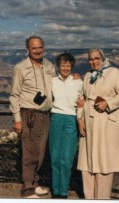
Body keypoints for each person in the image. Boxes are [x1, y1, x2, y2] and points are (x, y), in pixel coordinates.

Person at [77, 48, 119, 199]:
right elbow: (81, 99)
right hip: (88, 122)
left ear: (102, 58)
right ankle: (89, 198)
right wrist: (80, 119)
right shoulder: (87, 76)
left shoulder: (114, 73)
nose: (93, 61)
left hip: (105, 123)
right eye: (90, 59)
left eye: (96, 58)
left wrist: (108, 103)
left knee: (103, 162)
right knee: (87, 163)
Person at [9, 35, 56, 198]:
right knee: (30, 151)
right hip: (29, 114)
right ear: (27, 50)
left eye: (40, 47)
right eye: (34, 48)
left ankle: (34, 183)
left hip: (45, 114)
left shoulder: (49, 65)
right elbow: (14, 95)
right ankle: (27, 188)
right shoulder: (20, 68)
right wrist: (17, 119)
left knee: (41, 151)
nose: (38, 50)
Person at [48, 52, 83, 198]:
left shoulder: (78, 82)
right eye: (63, 65)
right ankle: (56, 191)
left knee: (66, 159)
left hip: (71, 120)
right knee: (55, 157)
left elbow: (83, 100)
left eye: (68, 65)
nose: (65, 68)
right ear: (58, 66)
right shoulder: (52, 81)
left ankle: (63, 192)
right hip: (56, 118)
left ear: (72, 66)